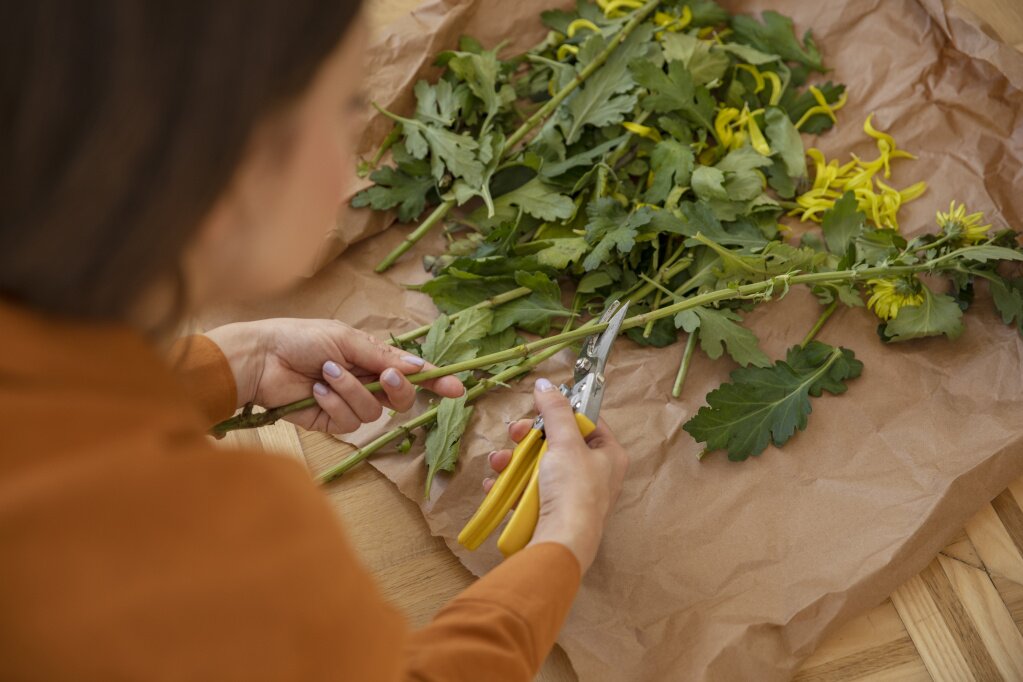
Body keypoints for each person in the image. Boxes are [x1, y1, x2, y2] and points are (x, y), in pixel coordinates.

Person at [0, 2, 629, 679]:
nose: (361, 139)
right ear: (225, 174)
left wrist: (232, 365)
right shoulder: (221, 550)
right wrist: (563, 539)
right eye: (346, 104)